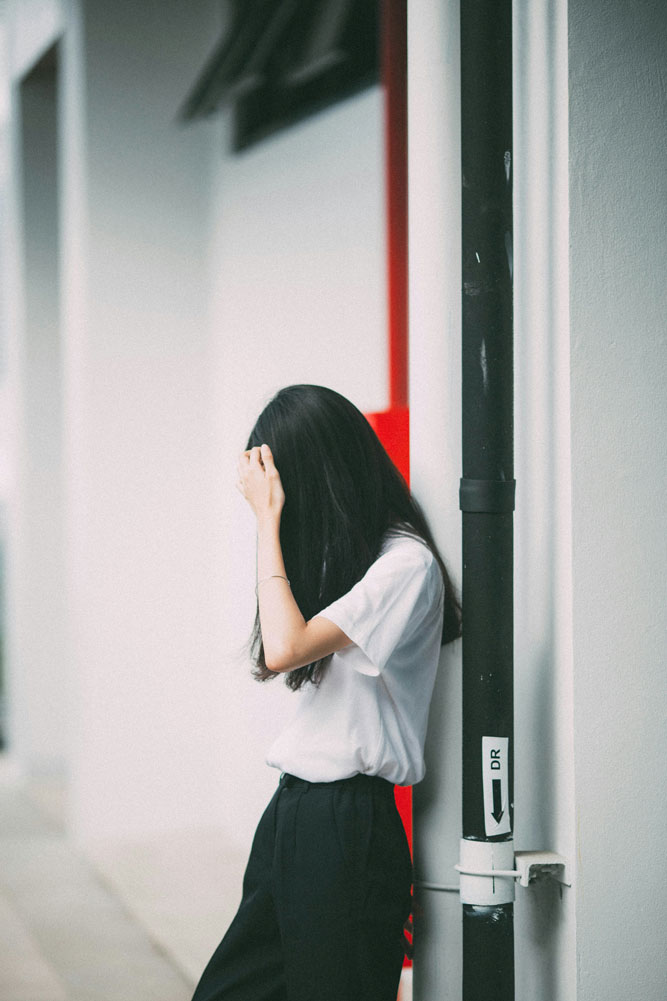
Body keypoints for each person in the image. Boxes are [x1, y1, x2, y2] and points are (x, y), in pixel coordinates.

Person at [191, 384, 461, 1001]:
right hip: (298, 811)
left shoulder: (405, 565)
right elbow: (282, 645)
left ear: (319, 477)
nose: (283, 507)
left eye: (286, 489)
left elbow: (283, 647)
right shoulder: (359, 563)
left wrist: (267, 520)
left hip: (347, 822)